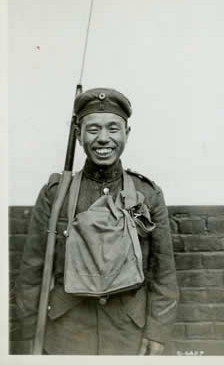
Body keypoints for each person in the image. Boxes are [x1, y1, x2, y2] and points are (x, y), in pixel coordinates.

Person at [15, 88, 179, 355]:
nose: (104, 138)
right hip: (66, 333)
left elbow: (163, 273)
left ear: (127, 133)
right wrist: (33, 332)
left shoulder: (147, 194)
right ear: (79, 135)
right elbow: (31, 272)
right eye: (93, 129)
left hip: (128, 333)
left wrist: (157, 332)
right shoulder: (56, 195)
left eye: (113, 128)